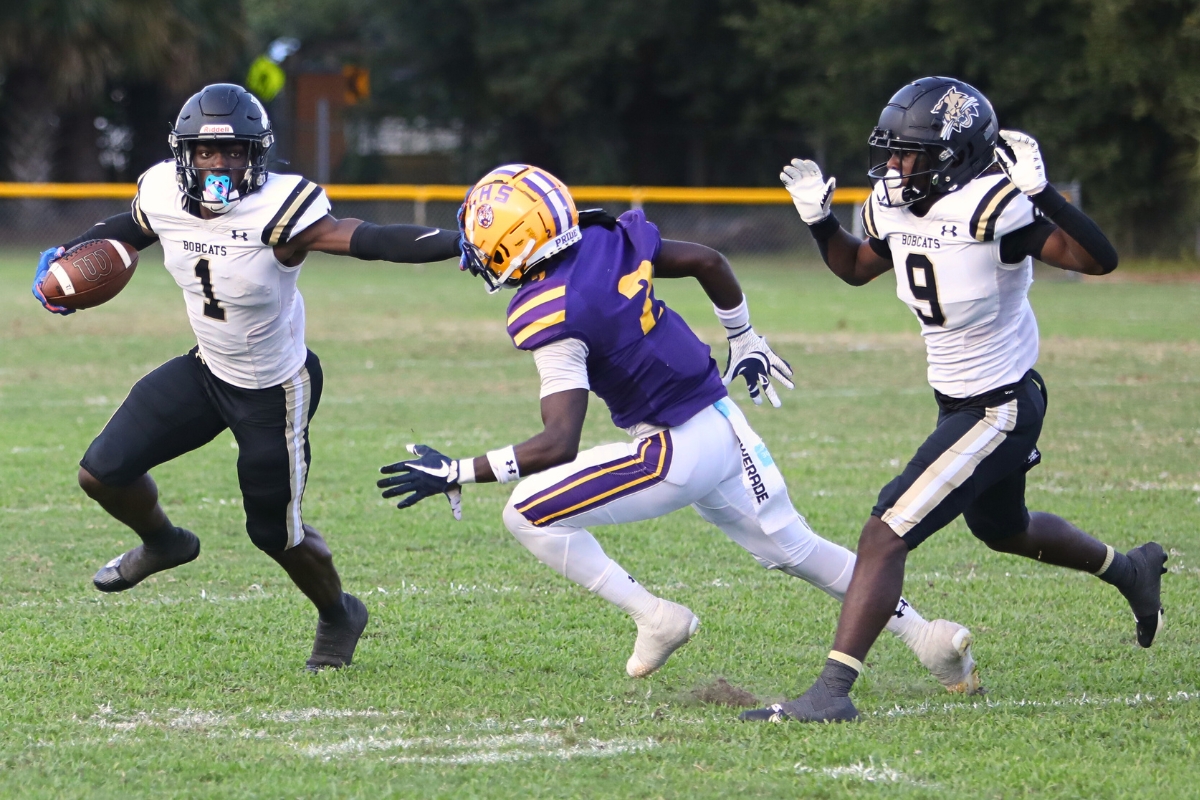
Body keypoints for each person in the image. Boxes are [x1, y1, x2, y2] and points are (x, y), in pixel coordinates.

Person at [376, 162, 981, 691]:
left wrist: (460, 470)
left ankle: (655, 616)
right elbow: (707, 261)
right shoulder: (605, 239)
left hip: (672, 450)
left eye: (484, 246)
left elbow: (557, 442)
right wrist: (744, 334)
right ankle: (929, 638)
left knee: (524, 513)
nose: (475, 258)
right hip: (722, 420)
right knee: (798, 548)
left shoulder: (548, 310)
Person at [739, 76, 1166, 723]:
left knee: (884, 533)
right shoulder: (892, 200)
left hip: (1001, 406)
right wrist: (819, 221)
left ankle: (832, 694)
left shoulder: (995, 205)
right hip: (958, 400)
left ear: (955, 156)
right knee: (1005, 529)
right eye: (890, 152)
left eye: (908, 154)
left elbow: (1096, 258)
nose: (892, 166)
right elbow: (858, 267)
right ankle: (1129, 571)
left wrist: (1042, 193)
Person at [30, 83, 462, 671]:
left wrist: (464, 244)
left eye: (235, 151)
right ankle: (165, 542)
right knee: (102, 473)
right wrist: (67, 254)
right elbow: (129, 227)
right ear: (184, 155)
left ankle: (339, 612)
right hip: (206, 369)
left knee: (274, 534)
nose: (219, 164)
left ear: (258, 154)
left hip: (273, 390)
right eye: (207, 153)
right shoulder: (161, 189)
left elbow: (370, 240)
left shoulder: (283, 209)